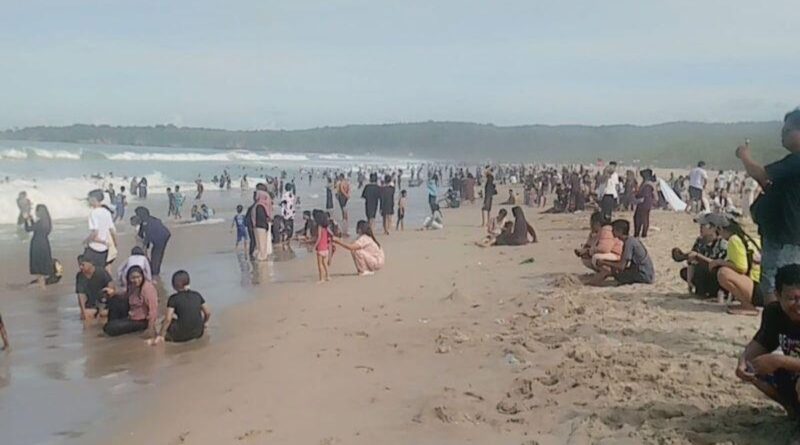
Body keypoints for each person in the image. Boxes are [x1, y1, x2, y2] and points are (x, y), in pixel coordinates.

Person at [738, 109, 800, 305]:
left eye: (788, 130)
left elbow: (761, 174)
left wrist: (744, 156)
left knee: (775, 284)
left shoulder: (796, 161)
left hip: (784, 236)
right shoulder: (792, 164)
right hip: (784, 234)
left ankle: (775, 322)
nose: (783, 134)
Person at [736, 264, 800, 419]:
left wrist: (779, 361)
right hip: (791, 376)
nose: (798, 305)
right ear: (777, 295)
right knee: (754, 369)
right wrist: (743, 363)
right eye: (792, 299)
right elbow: (760, 343)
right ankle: (793, 410)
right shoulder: (774, 313)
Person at [690, 214, 762, 315]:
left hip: (756, 288)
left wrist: (720, 262)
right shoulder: (748, 239)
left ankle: (747, 306)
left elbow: (742, 268)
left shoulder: (733, 240)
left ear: (719, 229)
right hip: (764, 286)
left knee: (723, 273)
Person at [149, 270, 211, 344]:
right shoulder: (197, 295)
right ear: (188, 282)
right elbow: (208, 312)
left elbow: (168, 319)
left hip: (180, 336)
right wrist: (205, 323)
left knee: (164, 322)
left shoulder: (173, 299)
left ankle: (162, 337)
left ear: (174, 285)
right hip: (199, 333)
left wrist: (161, 335)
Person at [674, 214, 727, 298]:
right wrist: (689, 282)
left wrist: (698, 257)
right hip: (704, 275)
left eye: (703, 225)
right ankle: (700, 292)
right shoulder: (700, 241)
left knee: (702, 269)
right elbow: (691, 262)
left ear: (713, 228)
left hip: (716, 277)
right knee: (685, 272)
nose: (700, 228)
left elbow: (718, 264)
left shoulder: (722, 243)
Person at [591, 219, 655, 286]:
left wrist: (604, 262)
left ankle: (594, 282)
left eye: (613, 230)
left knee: (612, 271)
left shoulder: (629, 243)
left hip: (644, 275)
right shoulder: (630, 240)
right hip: (646, 273)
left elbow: (621, 266)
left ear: (619, 231)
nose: (612, 232)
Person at [103, 266, 158, 337]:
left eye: (138, 277)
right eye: (133, 278)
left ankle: (115, 325)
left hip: (142, 321)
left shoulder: (147, 289)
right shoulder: (132, 286)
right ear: (129, 278)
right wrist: (113, 292)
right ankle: (114, 322)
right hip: (131, 315)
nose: (136, 280)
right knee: (115, 299)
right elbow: (125, 294)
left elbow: (153, 310)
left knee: (109, 328)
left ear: (142, 276)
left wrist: (150, 329)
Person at [133, 207, 171, 278]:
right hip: (164, 234)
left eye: (137, 214)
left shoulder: (146, 223)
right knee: (157, 253)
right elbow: (141, 232)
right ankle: (155, 270)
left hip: (161, 237)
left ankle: (155, 272)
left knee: (156, 254)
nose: (136, 216)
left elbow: (147, 235)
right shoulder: (149, 219)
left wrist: (146, 245)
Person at [83, 189, 117, 269]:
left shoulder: (93, 213)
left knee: (87, 271)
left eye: (88, 199)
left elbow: (95, 232)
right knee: (101, 270)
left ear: (93, 199)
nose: (88, 201)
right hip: (105, 248)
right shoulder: (106, 212)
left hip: (94, 248)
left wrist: (86, 241)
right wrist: (115, 244)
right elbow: (112, 231)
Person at [76, 254, 115, 321]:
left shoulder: (101, 272)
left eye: (83, 265)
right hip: (90, 306)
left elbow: (111, 287)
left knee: (104, 315)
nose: (80, 267)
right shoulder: (80, 276)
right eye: (79, 265)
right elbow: (81, 295)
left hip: (104, 304)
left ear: (90, 263)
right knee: (86, 316)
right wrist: (83, 312)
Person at [24, 204, 53, 289]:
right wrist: (31, 219)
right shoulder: (47, 222)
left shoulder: (40, 222)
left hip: (37, 244)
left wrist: (26, 220)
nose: (36, 213)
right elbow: (36, 228)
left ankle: (42, 287)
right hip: (45, 243)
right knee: (42, 265)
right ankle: (42, 286)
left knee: (38, 267)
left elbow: (28, 229)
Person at [634, 169, 658, 238]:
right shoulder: (649, 183)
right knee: (644, 218)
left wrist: (637, 195)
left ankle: (640, 233)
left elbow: (645, 195)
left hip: (644, 203)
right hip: (646, 204)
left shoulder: (647, 184)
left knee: (640, 219)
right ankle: (642, 233)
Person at [252, 188, 273, 261]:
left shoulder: (257, 206)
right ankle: (261, 261)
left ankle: (260, 260)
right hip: (261, 227)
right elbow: (262, 218)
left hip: (259, 227)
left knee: (260, 246)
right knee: (262, 246)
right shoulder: (261, 206)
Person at [315, 213, 331, 283]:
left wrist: (315, 245)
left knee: (320, 264)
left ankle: (321, 278)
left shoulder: (320, 227)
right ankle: (328, 276)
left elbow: (319, 237)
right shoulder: (326, 227)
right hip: (326, 248)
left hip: (320, 248)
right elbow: (331, 233)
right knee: (324, 263)